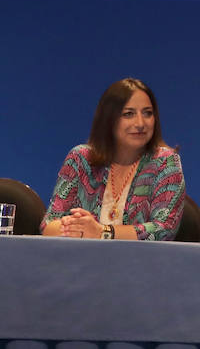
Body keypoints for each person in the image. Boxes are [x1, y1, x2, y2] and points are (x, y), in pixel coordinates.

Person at [42, 78, 186, 241]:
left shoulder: (166, 163)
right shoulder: (80, 159)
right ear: (109, 120)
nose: (140, 123)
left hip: (140, 264)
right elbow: (48, 225)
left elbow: (163, 229)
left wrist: (102, 232)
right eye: (128, 114)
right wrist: (73, 227)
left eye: (147, 113)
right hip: (81, 263)